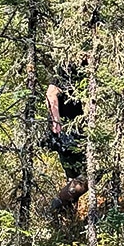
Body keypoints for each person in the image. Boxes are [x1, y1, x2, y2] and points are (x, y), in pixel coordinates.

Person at [45, 62, 88, 218]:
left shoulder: (84, 68)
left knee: (73, 177)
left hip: (75, 130)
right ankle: (53, 209)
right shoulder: (68, 66)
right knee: (87, 175)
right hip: (68, 132)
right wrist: (56, 122)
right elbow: (51, 93)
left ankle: (67, 222)